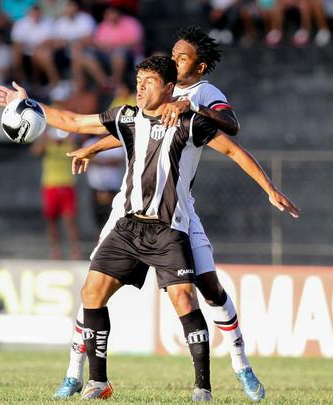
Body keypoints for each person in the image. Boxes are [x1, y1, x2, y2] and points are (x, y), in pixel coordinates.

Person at [0, 53, 299, 400]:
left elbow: (234, 150)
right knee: (91, 293)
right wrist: (29, 102)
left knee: (186, 298)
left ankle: (203, 387)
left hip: (168, 227)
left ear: (169, 87)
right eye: (138, 82)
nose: (139, 89)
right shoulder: (126, 117)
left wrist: (270, 189)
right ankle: (97, 381)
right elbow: (74, 122)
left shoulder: (189, 122)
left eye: (148, 83)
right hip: (127, 226)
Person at [54, 26, 269, 402]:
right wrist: (93, 148)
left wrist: (190, 107)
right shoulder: (152, 88)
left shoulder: (202, 95)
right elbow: (131, 128)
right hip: (129, 207)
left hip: (178, 209)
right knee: (94, 289)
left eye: (182, 57)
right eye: (173, 54)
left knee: (209, 289)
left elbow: (231, 128)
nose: (174, 60)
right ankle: (76, 374)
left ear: (199, 67)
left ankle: (240, 364)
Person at [30, 127, 82, 260]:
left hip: (67, 184)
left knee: (69, 220)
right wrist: (44, 137)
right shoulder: (47, 143)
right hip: (50, 185)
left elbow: (77, 154)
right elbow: (35, 152)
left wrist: (70, 139)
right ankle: (55, 249)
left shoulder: (69, 143)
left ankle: (75, 249)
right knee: (51, 220)